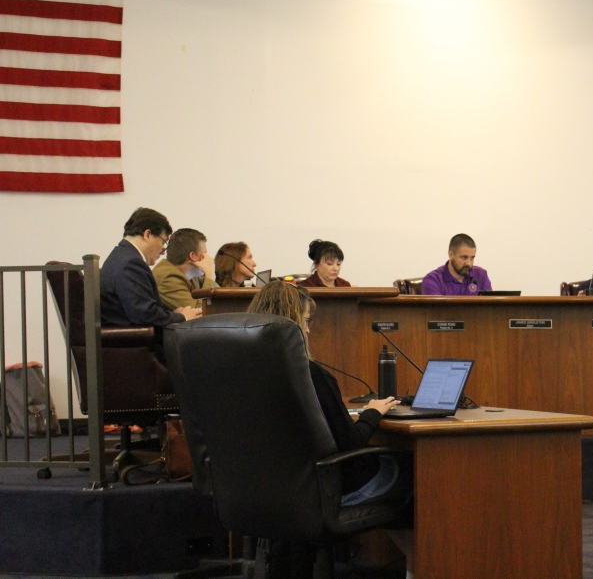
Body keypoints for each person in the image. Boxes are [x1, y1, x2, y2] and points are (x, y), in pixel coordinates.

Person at [247, 282, 412, 578]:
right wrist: (372, 414)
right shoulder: (310, 376)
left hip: (262, 488)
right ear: (292, 324)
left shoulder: (243, 373)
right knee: (417, 472)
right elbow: (350, 446)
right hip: (320, 492)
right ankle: (423, 568)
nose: (308, 330)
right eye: (306, 321)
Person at [100, 207, 201, 327]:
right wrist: (183, 317)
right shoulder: (131, 263)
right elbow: (144, 315)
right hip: (133, 337)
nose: (163, 251)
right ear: (147, 234)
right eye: (163, 242)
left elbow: (143, 309)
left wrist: (172, 315)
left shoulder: (121, 256)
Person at [152, 228, 217, 311]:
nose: (208, 259)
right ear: (193, 256)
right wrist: (210, 275)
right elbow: (200, 311)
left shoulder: (191, 276)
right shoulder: (167, 279)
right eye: (204, 254)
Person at [422, 233, 492, 296]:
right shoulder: (433, 280)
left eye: (472, 258)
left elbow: (490, 305)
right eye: (464, 257)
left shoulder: (481, 275)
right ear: (451, 255)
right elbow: (437, 307)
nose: (468, 263)